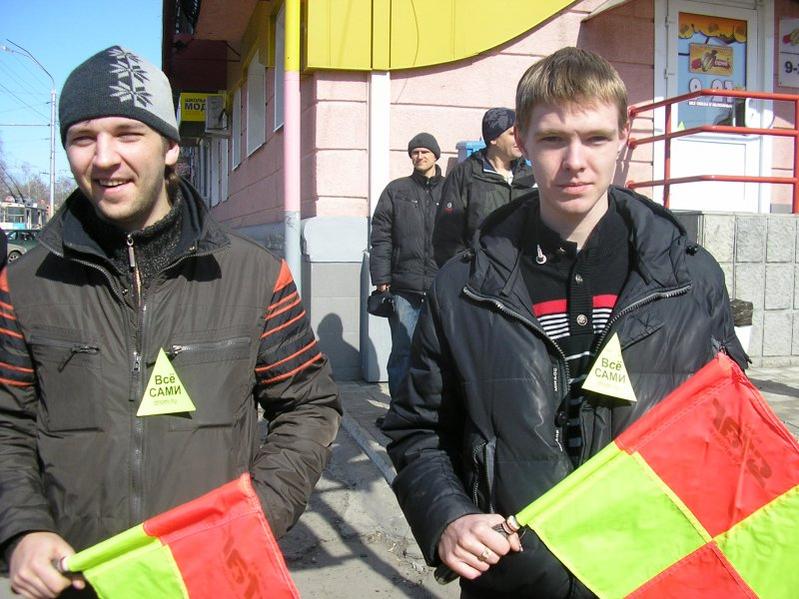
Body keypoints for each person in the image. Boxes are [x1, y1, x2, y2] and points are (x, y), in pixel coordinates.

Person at [382, 47, 748, 598]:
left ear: (624, 138)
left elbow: (732, 432)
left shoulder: (691, 278)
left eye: (595, 138)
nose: (575, 161)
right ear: (522, 141)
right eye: (554, 139)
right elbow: (418, 430)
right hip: (520, 579)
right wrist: (448, 517)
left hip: (657, 573)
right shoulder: (461, 288)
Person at [0, 46, 341, 599]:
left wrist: (254, 518)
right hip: (79, 580)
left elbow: (309, 407)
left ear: (171, 146)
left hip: (215, 576)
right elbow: (7, 423)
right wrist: (23, 530)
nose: (104, 158)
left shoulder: (256, 276)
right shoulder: (24, 284)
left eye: (127, 134)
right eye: (83, 138)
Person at [370, 133, 444, 401]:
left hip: (440, 287)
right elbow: (381, 236)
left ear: (436, 155)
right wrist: (381, 278)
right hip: (404, 287)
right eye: (415, 152)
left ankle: (432, 408)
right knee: (403, 351)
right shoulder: (396, 190)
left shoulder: (451, 190)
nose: (419, 156)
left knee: (439, 351)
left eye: (425, 151)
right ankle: (400, 410)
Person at [432, 107, 535, 266]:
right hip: (480, 273)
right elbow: (447, 236)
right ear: (493, 138)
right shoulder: (466, 174)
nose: (520, 137)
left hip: (523, 273)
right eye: (512, 133)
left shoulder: (531, 175)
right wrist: (466, 271)